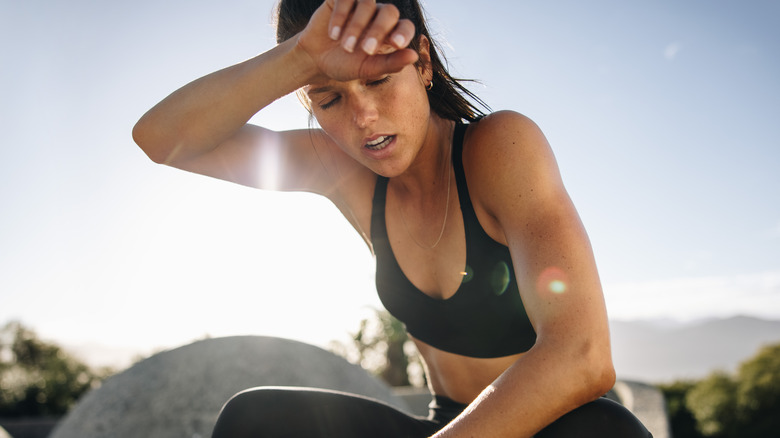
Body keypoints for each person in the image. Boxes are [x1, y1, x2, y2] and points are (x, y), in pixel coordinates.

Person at [133, 0, 652, 436]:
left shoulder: (499, 147)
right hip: (446, 423)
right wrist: (300, 59)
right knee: (257, 419)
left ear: (422, 62)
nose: (364, 118)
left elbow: (583, 355)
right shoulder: (339, 170)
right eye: (330, 97)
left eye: (379, 80)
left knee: (604, 431)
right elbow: (161, 139)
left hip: (549, 429)